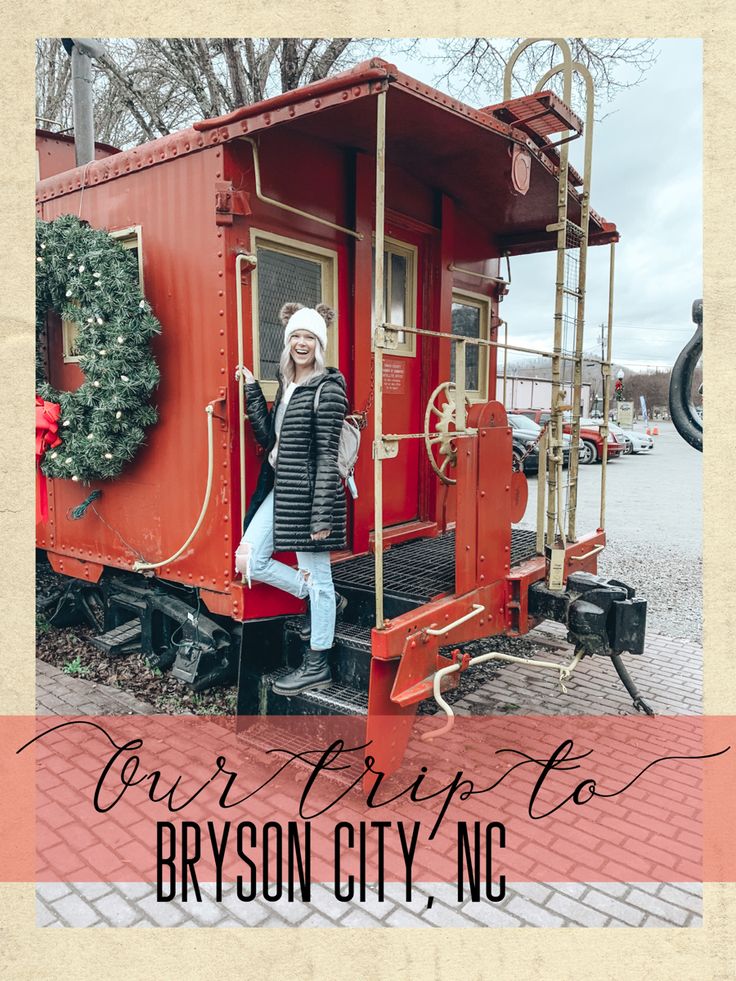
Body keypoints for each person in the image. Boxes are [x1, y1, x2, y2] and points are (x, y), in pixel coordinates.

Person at [235, 302, 348, 696]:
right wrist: (252, 389)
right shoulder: (287, 384)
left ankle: (317, 663)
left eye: (310, 337)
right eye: (296, 336)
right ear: (287, 342)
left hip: (311, 496)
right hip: (282, 488)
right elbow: (270, 439)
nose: (302, 343)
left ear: (320, 344)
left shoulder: (329, 388)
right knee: (249, 558)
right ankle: (323, 600)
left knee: (319, 576)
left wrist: (321, 518)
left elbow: (327, 455)